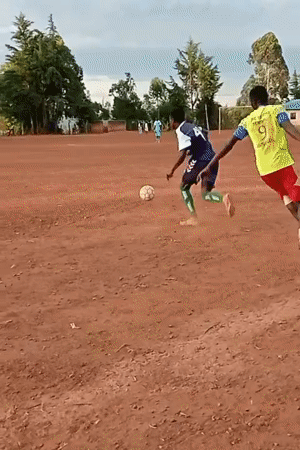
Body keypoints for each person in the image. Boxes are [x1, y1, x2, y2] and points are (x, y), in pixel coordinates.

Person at [201, 85, 300, 247]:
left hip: (265, 172)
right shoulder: (277, 111)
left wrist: (210, 165)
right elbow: (291, 130)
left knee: (286, 196)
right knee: (298, 196)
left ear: (253, 102)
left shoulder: (247, 121)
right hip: (282, 165)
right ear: (266, 99)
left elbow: (229, 145)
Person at [166, 107, 235, 226]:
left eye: (170, 120)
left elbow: (182, 156)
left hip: (201, 160)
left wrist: (172, 170)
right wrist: (195, 148)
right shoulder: (192, 126)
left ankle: (193, 218)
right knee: (205, 194)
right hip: (213, 158)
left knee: (184, 186)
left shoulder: (181, 130)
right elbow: (205, 134)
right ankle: (223, 198)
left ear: (173, 121)